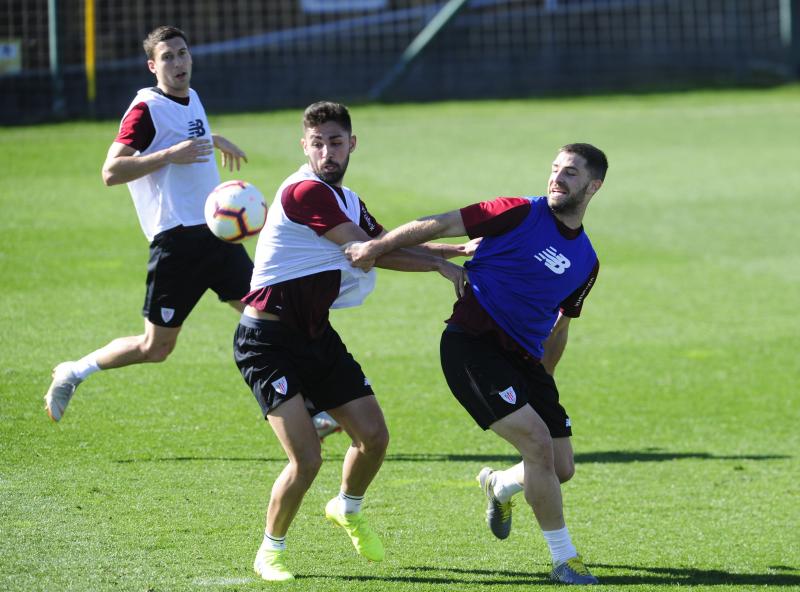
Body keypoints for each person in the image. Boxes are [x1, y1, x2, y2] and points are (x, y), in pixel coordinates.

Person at [346, 143, 608, 585]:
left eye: (572, 173)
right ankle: (565, 559)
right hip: (473, 345)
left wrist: (544, 377)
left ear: (594, 186)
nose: (558, 178)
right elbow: (441, 221)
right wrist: (375, 246)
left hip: (526, 360)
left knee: (560, 466)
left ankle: (501, 486)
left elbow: (560, 326)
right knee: (538, 446)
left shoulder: (587, 261)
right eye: (556, 169)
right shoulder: (516, 212)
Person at [234, 101, 470, 582]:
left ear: (351, 144)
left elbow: (385, 241)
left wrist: (455, 249)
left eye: (335, 142)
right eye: (317, 143)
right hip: (266, 341)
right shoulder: (304, 192)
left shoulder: (348, 199)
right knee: (306, 459)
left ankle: (346, 505)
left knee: (375, 438)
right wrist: (442, 266)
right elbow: (367, 252)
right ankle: (270, 551)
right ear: (305, 146)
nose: (327, 152)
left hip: (315, 336)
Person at [42, 26, 252, 422]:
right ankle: (74, 371)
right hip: (177, 243)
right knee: (156, 348)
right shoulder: (145, 109)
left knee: (267, 315)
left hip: (217, 236)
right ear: (152, 66)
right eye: (167, 57)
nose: (177, 62)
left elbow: (186, 132)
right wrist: (171, 154)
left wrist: (214, 138)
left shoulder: (192, 97)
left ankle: (311, 407)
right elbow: (111, 170)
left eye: (182, 53)